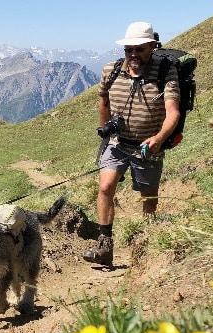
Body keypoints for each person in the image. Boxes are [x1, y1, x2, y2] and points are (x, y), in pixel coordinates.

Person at [83, 22, 180, 267]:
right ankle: (104, 245)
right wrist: (106, 131)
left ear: (152, 47)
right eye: (129, 49)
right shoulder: (111, 70)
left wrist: (158, 139)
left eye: (140, 49)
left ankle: (148, 242)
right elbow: (103, 101)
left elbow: (173, 112)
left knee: (147, 193)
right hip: (117, 143)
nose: (133, 54)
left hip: (149, 146)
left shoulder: (165, 71)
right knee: (105, 187)